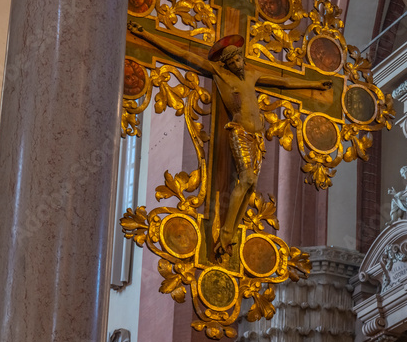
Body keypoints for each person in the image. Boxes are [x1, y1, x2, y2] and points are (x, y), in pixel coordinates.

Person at [127, 23, 333, 258]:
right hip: (240, 132)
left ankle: (231, 232)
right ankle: (225, 232)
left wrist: (314, 84)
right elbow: (184, 54)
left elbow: (283, 83)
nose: (237, 65)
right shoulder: (220, 74)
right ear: (226, 64)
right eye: (233, 62)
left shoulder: (253, 76)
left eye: (239, 60)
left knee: (251, 185)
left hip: (257, 137)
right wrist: (148, 34)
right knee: (245, 179)